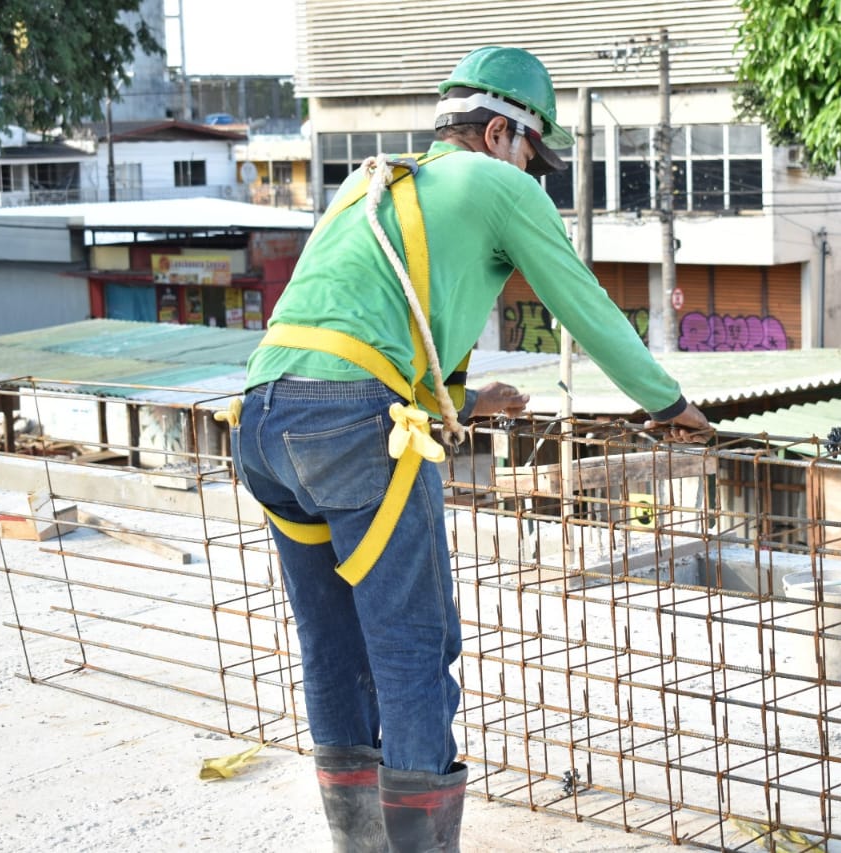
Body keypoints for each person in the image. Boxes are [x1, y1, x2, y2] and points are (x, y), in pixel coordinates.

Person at [230, 45, 711, 852]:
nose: (535, 175)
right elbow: (583, 305)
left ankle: (361, 843)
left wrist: (463, 400)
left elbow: (362, 327)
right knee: (414, 648)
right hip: (354, 427)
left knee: (333, 645)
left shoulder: (375, 182)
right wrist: (667, 402)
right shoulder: (497, 184)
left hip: (263, 421)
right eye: (534, 156)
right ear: (498, 134)